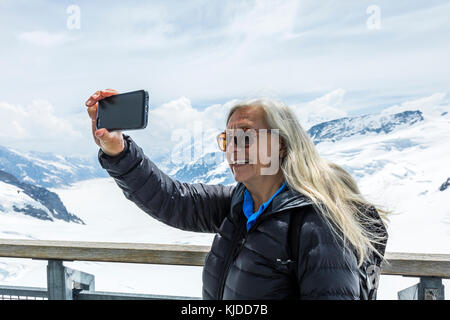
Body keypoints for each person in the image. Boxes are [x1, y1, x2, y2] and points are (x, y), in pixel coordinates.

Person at [85, 89, 389, 300]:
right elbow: (171, 200)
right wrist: (118, 150)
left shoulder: (318, 225)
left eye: (244, 137)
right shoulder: (240, 205)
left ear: (280, 145)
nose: (232, 150)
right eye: (227, 140)